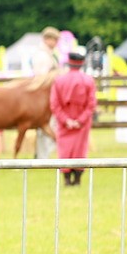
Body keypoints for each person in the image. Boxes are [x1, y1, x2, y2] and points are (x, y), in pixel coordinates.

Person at [50, 50, 97, 186]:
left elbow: (55, 104)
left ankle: (66, 179)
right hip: (82, 122)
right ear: (81, 63)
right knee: (80, 149)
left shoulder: (59, 81)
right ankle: (77, 179)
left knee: (64, 149)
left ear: (69, 63)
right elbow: (91, 104)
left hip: (64, 121)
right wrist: (80, 120)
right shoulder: (88, 80)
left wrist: (66, 120)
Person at [31, 27, 61, 159]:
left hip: (49, 95)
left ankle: (44, 155)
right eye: (54, 39)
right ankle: (42, 156)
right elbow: (42, 77)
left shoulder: (49, 54)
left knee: (48, 125)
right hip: (43, 95)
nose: (55, 43)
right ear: (47, 39)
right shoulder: (42, 55)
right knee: (44, 125)